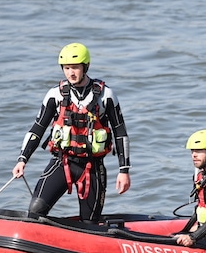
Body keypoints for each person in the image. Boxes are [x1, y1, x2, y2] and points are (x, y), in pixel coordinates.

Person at [12, 42, 131, 221]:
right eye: (66, 68)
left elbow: (120, 133)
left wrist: (124, 170)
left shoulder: (106, 95)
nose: (71, 73)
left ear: (86, 67)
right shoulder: (55, 95)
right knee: (36, 210)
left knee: (89, 222)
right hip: (62, 162)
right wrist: (22, 159)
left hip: (93, 168)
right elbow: (38, 128)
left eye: (75, 68)